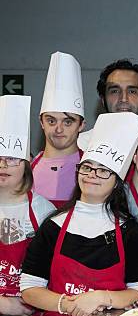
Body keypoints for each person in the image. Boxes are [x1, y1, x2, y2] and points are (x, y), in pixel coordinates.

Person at [21, 113, 138, 316]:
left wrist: (100, 298)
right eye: (87, 168)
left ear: (117, 181)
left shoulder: (132, 232)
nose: (92, 175)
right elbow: (29, 287)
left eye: (103, 171)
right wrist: (68, 304)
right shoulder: (53, 225)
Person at [0, 95, 55, 315]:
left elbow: (54, 270)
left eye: (12, 158)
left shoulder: (43, 210)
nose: (3, 165)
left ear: (26, 163)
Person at [32, 52, 86, 208]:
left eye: (68, 122)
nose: (58, 129)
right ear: (41, 122)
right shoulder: (25, 172)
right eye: (51, 120)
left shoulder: (92, 172)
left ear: (81, 125)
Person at [77, 59, 138, 151]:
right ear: (103, 100)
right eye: (115, 91)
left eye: (132, 91)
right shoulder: (81, 145)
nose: (123, 99)